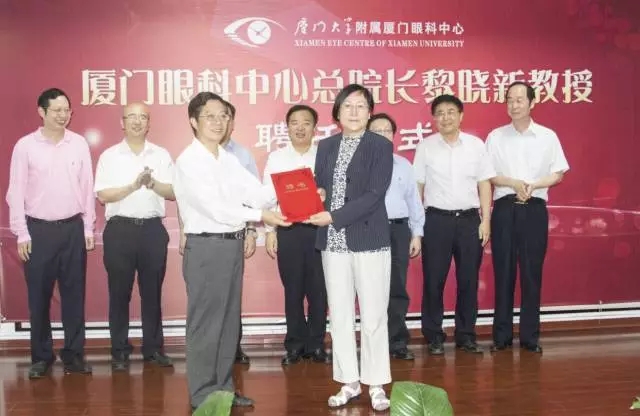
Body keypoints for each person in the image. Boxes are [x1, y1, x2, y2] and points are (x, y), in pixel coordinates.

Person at [173, 92, 290, 412]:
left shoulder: (227, 159)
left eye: (223, 116)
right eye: (210, 116)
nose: (218, 122)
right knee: (205, 324)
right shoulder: (188, 161)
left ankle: (223, 388)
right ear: (193, 121)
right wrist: (261, 215)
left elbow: (257, 193)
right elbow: (215, 209)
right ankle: (202, 394)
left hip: (231, 245)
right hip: (206, 247)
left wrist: (297, 188)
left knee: (227, 322)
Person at [306, 84, 393, 411]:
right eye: (348, 106)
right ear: (337, 113)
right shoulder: (326, 145)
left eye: (360, 106)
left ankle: (376, 383)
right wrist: (318, 195)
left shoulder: (380, 146)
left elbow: (375, 195)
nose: (354, 112)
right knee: (340, 314)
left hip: (368, 240)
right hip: (333, 243)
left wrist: (334, 215)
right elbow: (321, 184)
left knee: (373, 315)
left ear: (370, 113)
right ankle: (349, 381)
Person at [6, 87, 95, 378]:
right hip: (38, 231)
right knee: (39, 298)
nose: (63, 115)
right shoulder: (25, 146)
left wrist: (88, 226)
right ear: (41, 112)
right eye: (56, 110)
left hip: (72, 229)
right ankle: (41, 357)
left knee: (74, 296)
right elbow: (15, 191)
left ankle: (74, 356)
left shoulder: (78, 143)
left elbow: (87, 186)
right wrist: (21, 232)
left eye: (66, 110)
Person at [486, 81, 569, 354]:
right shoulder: (496, 136)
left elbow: (558, 173)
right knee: (504, 272)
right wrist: (513, 183)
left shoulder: (547, 136)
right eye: (510, 100)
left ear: (532, 103)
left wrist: (534, 185)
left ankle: (530, 337)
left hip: (534, 208)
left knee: (532, 273)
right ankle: (501, 337)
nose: (514, 105)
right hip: (505, 208)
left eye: (520, 99)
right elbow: (488, 174)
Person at [94, 102, 175, 371]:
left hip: (152, 230)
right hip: (120, 231)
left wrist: (152, 183)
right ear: (123, 122)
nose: (137, 122)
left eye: (143, 117)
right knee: (119, 293)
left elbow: (173, 191)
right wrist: (133, 186)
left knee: (152, 293)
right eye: (132, 117)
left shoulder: (161, 154)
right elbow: (103, 194)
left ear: (149, 123)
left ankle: (153, 348)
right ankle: (119, 350)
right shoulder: (109, 156)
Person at [413, 94, 495, 356]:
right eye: (440, 113)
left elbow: (484, 183)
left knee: (468, 280)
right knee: (433, 280)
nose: (445, 117)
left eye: (451, 112)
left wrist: (486, 220)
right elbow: (418, 187)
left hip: (470, 221)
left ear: (461, 116)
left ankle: (466, 335)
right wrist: (417, 227)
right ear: (434, 118)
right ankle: (434, 335)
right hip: (436, 221)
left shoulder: (476, 146)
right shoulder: (426, 147)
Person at [263, 104, 330, 366]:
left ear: (315, 128)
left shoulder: (324, 156)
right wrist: (270, 231)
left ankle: (316, 344)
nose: (300, 127)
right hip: (288, 230)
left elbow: (334, 193)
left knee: (319, 291)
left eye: (306, 122)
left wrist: (324, 194)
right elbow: (268, 196)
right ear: (287, 127)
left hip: (318, 229)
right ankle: (294, 345)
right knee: (292, 289)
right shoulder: (276, 158)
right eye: (294, 122)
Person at [367, 113, 424, 361]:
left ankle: (397, 340)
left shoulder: (404, 165)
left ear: (394, 135)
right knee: (369, 287)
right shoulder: (359, 165)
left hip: (398, 230)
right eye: (376, 131)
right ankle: (373, 342)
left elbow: (413, 200)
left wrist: (417, 233)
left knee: (397, 286)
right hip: (369, 229)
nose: (382, 135)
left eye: (387, 131)